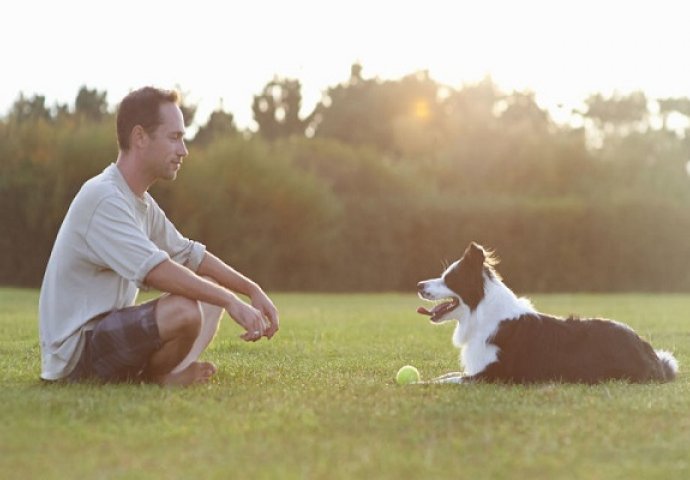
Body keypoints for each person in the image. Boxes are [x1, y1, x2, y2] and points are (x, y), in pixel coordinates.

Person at [38, 86, 279, 386]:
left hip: (108, 334)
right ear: (140, 137)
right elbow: (157, 271)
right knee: (186, 310)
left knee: (209, 291)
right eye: (174, 137)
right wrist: (231, 301)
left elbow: (190, 254)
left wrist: (251, 289)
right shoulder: (103, 198)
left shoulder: (140, 202)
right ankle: (157, 378)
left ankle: (161, 374)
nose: (183, 150)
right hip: (76, 353)